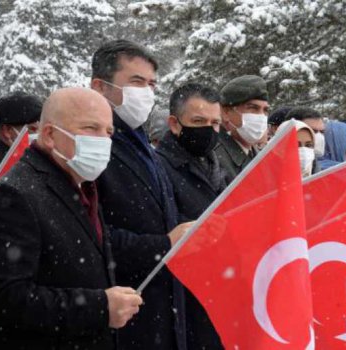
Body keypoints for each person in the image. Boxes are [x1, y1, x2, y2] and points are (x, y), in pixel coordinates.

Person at [0, 88, 143, 349]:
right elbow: (5, 300)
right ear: (50, 135)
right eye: (90, 128)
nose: (103, 140)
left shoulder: (82, 185)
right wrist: (100, 307)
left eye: (108, 132)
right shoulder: (11, 195)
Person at [90, 40, 218, 350]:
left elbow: (160, 217)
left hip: (163, 311)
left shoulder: (143, 145)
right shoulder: (93, 149)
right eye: (136, 82)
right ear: (100, 87)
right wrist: (164, 244)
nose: (146, 92)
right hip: (124, 317)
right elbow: (86, 235)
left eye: (151, 84)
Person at [157, 83, 226, 221]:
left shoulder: (216, 164)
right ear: (174, 124)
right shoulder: (158, 168)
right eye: (198, 121)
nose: (208, 129)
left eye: (215, 123)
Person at [215, 75, 270, 184]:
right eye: (253, 108)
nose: (261, 116)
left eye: (265, 110)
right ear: (226, 112)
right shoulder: (214, 157)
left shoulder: (258, 154)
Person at [0, 92, 42, 179]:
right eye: (33, 129)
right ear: (7, 130)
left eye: (41, 130)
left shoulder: (21, 157)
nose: (38, 135)